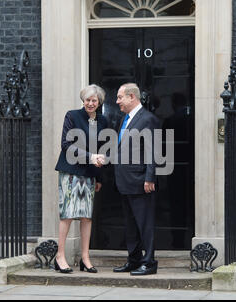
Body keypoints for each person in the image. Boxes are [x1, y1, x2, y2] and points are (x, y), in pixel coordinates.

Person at [54, 84, 107, 274]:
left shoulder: (103, 121)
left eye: (94, 100)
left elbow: (102, 149)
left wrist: (99, 176)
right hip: (70, 171)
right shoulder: (72, 116)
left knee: (86, 217)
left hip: (90, 175)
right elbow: (66, 144)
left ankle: (85, 258)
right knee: (67, 214)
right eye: (87, 100)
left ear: (99, 102)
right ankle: (60, 255)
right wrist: (91, 157)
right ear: (82, 100)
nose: (90, 103)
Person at [113, 83, 161, 276]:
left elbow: (153, 150)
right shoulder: (125, 119)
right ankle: (133, 260)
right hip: (125, 180)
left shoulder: (148, 119)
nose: (117, 102)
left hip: (141, 180)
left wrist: (150, 178)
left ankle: (149, 262)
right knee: (130, 224)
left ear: (132, 97)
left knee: (145, 224)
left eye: (120, 97)